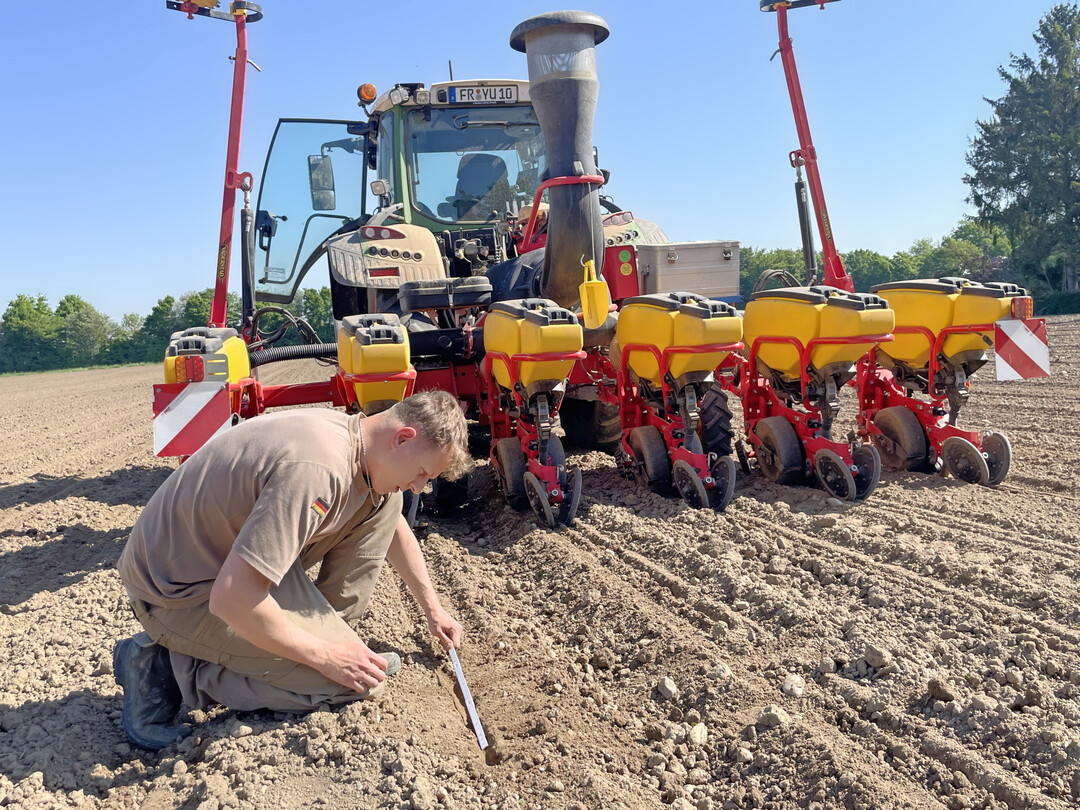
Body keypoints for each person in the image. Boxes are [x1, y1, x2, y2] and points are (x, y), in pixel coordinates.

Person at [113, 390, 471, 750]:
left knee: (386, 505)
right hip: (179, 592)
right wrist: (326, 658)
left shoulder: (359, 444)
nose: (418, 487)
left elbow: (393, 528)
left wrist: (433, 610)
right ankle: (169, 668)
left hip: (228, 566)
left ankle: (316, 643)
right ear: (403, 438)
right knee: (354, 685)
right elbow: (233, 595)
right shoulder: (317, 470)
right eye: (423, 473)